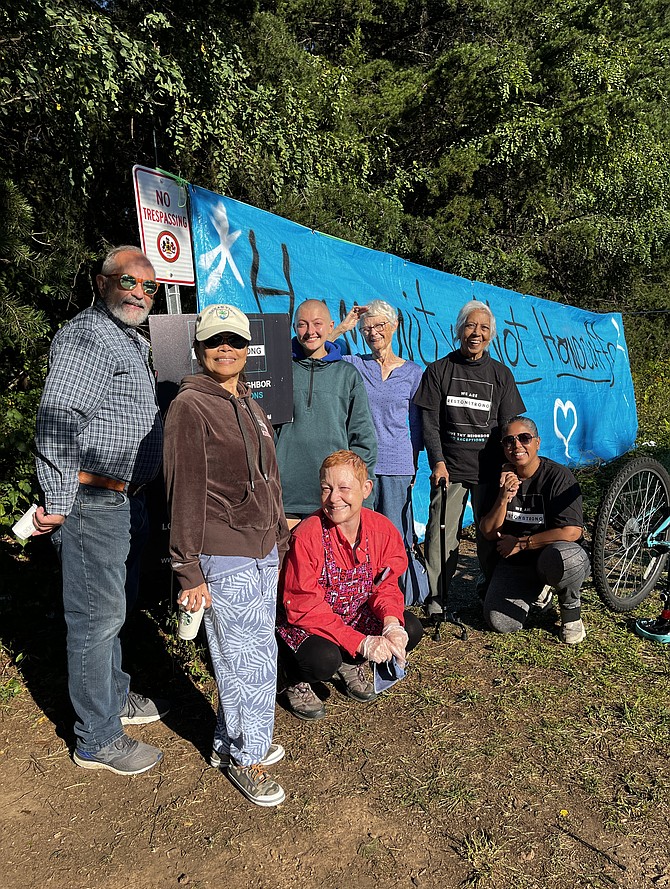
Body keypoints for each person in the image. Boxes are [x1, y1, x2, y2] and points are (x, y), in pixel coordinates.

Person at [33, 245, 167, 776]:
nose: (139, 292)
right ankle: (97, 738)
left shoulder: (130, 340)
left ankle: (113, 699)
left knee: (114, 613)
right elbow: (59, 417)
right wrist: (60, 499)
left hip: (123, 498)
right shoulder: (86, 337)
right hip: (90, 499)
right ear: (101, 281)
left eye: (149, 287)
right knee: (95, 620)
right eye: (129, 281)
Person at [163, 303, 290, 808]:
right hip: (221, 550)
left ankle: (230, 741)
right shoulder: (189, 407)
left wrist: (280, 536)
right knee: (244, 662)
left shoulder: (252, 406)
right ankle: (246, 757)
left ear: (247, 350)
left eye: (235, 341)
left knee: (257, 652)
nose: (226, 349)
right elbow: (184, 490)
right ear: (199, 348)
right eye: (216, 340)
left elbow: (270, 480)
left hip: (262, 550)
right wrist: (187, 568)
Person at [276, 451, 424, 721]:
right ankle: (291, 677)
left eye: (344, 488)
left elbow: (386, 585)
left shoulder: (383, 530)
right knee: (323, 660)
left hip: (351, 613)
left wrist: (391, 622)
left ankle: (350, 662)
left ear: (366, 489)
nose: (334, 498)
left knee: (410, 627)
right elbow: (302, 607)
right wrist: (359, 641)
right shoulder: (307, 536)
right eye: (326, 488)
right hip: (305, 623)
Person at [413, 300, 526, 618]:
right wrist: (437, 462)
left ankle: (490, 588)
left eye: (484, 328)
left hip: (489, 471)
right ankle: (437, 597)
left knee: (491, 533)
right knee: (439, 533)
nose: (476, 333)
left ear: (492, 335)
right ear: (459, 330)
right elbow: (430, 423)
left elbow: (509, 426)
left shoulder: (501, 375)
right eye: (470, 325)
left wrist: (508, 467)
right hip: (450, 470)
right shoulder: (439, 371)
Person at [339, 300, 426, 604]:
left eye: (379, 326)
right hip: (361, 466)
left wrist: (413, 466)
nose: (373, 333)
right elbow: (317, 352)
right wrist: (344, 326)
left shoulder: (414, 373)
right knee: (360, 535)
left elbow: (417, 426)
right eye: (367, 328)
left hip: (398, 465)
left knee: (395, 535)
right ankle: (364, 597)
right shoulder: (354, 365)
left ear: (394, 326)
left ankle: (399, 597)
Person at [479, 416, 589, 644]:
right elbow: (488, 532)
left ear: (537, 442)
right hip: (517, 564)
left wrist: (521, 543)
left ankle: (571, 615)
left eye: (524, 438)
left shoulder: (558, 476)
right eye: (509, 440)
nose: (516, 445)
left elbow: (572, 532)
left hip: (551, 555)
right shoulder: (500, 479)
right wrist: (503, 497)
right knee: (501, 622)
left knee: (569, 557)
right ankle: (539, 591)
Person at [274, 299, 377, 527]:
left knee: (331, 563)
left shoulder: (347, 375)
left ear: (331, 327)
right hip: (285, 497)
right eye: (302, 324)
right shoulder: (278, 370)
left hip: (334, 500)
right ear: (294, 328)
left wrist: (355, 488)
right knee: (289, 562)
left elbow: (363, 438)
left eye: (317, 323)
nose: (311, 331)